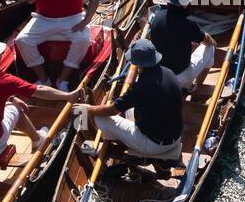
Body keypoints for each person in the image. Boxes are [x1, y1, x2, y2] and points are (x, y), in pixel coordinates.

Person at [0, 35, 80, 161]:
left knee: (7, 104)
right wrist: (68, 96)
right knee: (15, 109)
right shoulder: (3, 80)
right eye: (1, 55)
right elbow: (38, 90)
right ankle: (37, 140)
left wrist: (11, 98)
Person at [75, 38, 185, 173]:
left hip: (154, 144)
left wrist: (86, 109)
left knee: (100, 118)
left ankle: (119, 145)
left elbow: (111, 111)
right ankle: (126, 139)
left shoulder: (142, 87)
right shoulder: (168, 72)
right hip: (174, 136)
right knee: (129, 110)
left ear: (138, 63)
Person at [150, 0, 217, 90]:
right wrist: (212, 40)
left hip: (159, 72)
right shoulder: (189, 25)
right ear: (185, 3)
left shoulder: (157, 17)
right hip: (180, 76)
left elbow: (169, 38)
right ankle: (197, 86)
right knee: (211, 47)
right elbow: (207, 41)